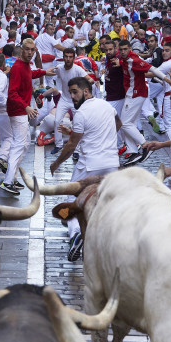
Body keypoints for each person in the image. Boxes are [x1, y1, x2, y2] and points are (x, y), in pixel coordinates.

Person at [49, 77, 121, 261]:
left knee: (71, 202)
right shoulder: (106, 106)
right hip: (112, 164)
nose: (72, 96)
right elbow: (118, 124)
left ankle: (76, 236)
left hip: (89, 166)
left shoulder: (81, 113)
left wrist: (56, 163)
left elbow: (72, 145)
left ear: (86, 91)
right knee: (109, 204)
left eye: (75, 92)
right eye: (70, 92)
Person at [2, 39, 56, 195]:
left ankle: (11, 178)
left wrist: (45, 72)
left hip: (20, 111)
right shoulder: (18, 67)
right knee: (19, 144)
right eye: (27, 49)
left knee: (24, 144)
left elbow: (30, 74)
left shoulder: (25, 66)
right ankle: (7, 181)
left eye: (32, 50)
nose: (30, 52)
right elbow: (12, 93)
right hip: (18, 111)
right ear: (22, 49)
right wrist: (26, 107)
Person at [117, 39, 169, 164]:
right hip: (132, 93)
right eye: (121, 49)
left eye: (125, 49)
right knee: (130, 124)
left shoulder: (135, 60)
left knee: (124, 123)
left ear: (129, 48)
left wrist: (166, 79)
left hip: (136, 94)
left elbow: (153, 69)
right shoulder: (122, 58)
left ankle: (145, 145)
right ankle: (133, 151)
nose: (123, 52)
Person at [41, 48, 87, 154]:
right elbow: (48, 72)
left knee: (78, 124)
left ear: (74, 58)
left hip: (76, 101)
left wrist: (87, 85)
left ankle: (77, 149)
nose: (68, 59)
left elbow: (88, 78)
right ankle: (58, 145)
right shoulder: (60, 68)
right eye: (66, 56)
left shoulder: (78, 69)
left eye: (70, 57)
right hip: (64, 99)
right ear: (63, 57)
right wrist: (40, 75)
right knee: (57, 120)